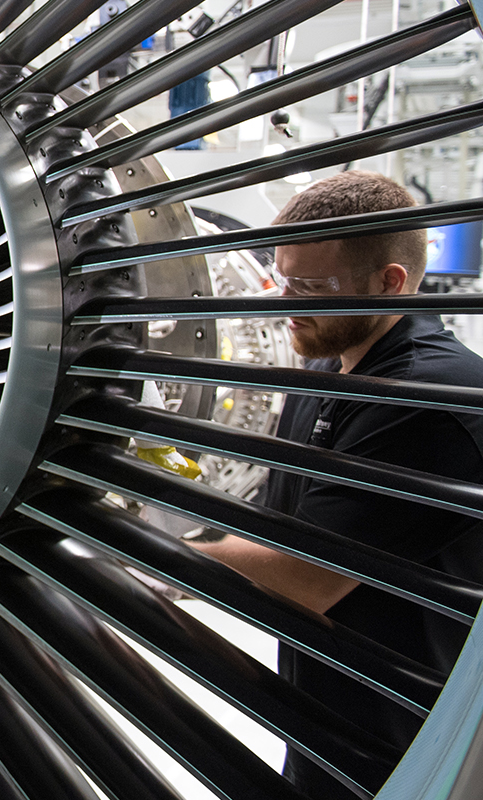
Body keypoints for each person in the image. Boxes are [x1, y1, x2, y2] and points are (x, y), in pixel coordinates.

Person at [190, 171, 483, 797]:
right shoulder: (325, 376)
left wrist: (139, 555)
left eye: (312, 286)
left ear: (390, 282)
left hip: (412, 747)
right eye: (281, 277)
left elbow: (305, 577)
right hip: (327, 725)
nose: (287, 301)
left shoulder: (429, 396)